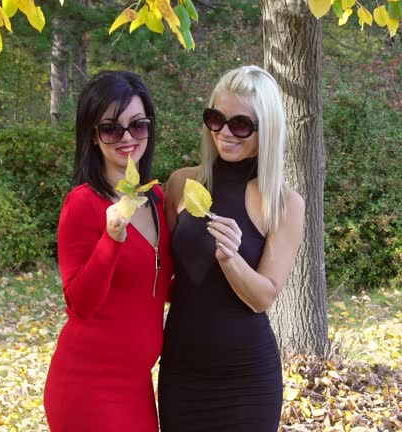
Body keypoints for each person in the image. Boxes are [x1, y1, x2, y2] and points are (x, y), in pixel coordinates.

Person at [158, 65, 305, 432]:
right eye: (216, 119)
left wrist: (231, 258)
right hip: (182, 371)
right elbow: (159, 272)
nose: (225, 132)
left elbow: (263, 298)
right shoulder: (182, 184)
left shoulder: (282, 203)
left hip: (247, 381)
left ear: (266, 129)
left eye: (241, 124)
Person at [43, 70, 173, 432]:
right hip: (87, 385)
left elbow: (162, 284)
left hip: (137, 385)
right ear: (93, 136)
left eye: (138, 125)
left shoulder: (157, 200)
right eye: (112, 128)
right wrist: (111, 239)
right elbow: (79, 303)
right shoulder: (82, 204)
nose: (127, 138)